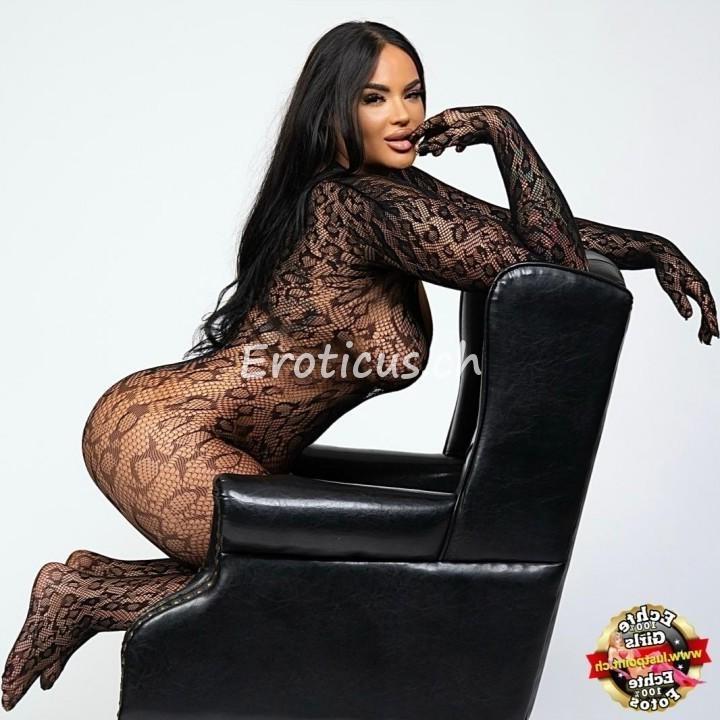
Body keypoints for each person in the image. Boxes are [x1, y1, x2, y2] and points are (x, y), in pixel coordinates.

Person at [2, 19, 717, 712]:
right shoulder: (356, 205)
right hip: (164, 435)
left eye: (414, 92)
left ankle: (86, 591)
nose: (404, 115)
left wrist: (652, 248)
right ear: (335, 109)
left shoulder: (392, 194)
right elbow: (552, 260)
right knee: (288, 591)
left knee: (296, 589)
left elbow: (534, 243)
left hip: (211, 439)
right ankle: (85, 597)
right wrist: (502, 129)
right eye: (376, 97)